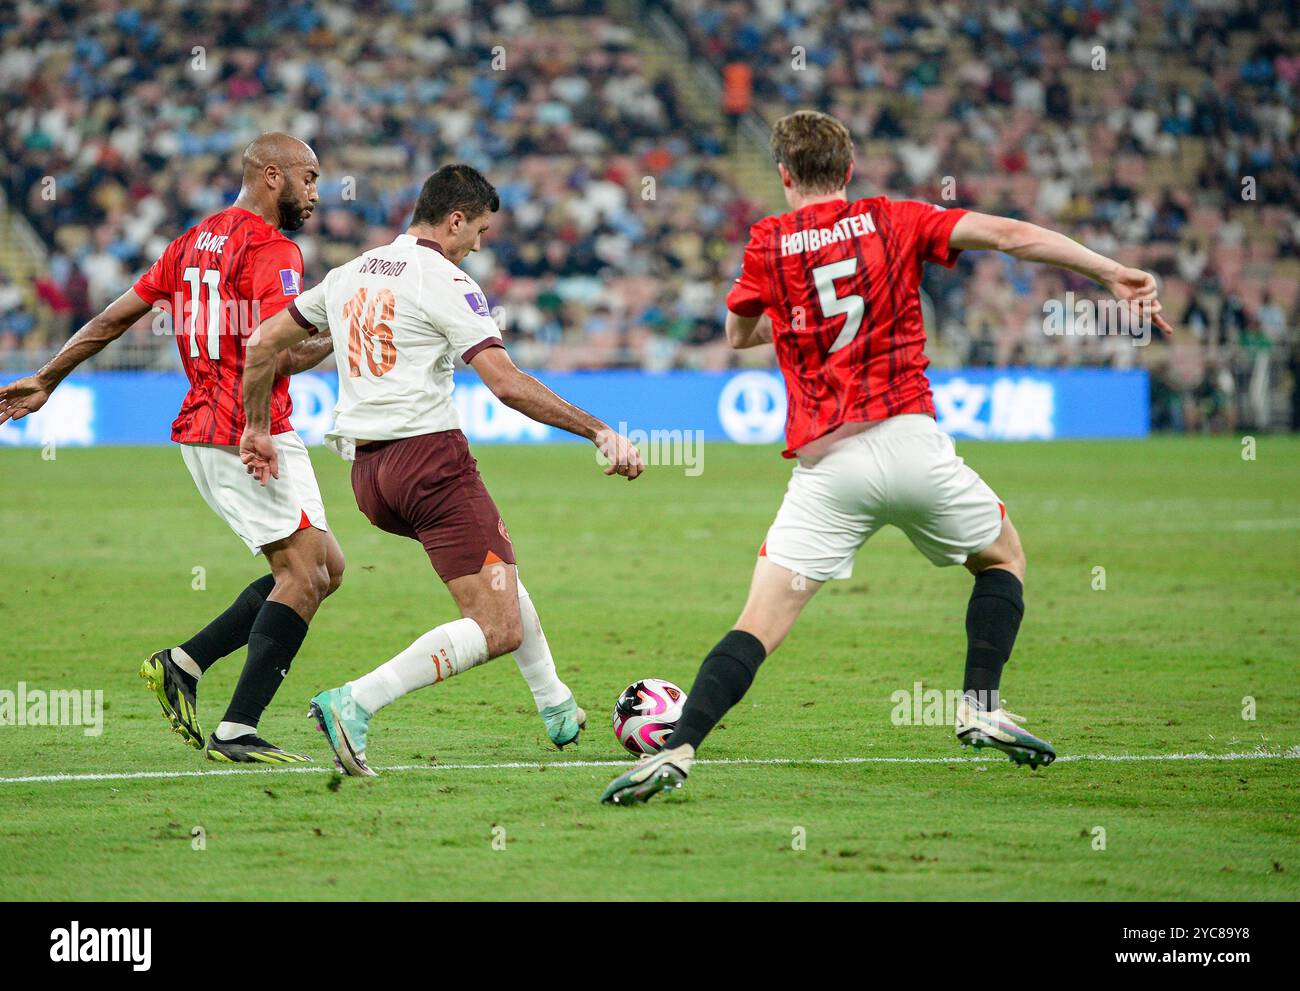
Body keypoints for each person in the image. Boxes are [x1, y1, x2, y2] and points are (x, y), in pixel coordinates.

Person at [601, 110, 1171, 804]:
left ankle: (681, 746)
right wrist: (1113, 271)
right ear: (848, 171)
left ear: (783, 176)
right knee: (1002, 560)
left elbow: (737, 330)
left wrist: (793, 314)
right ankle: (979, 705)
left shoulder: (767, 241)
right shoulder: (893, 219)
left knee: (757, 623)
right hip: (909, 441)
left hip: (828, 466)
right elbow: (1012, 236)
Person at [240, 164, 644, 775]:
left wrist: (256, 425)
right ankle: (354, 702)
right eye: (478, 230)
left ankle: (554, 701)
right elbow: (506, 385)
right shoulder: (445, 280)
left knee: (495, 569)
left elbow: (263, 346)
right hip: (430, 463)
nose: (479, 244)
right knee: (495, 625)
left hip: (370, 479)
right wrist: (599, 431)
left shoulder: (349, 273)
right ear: (454, 220)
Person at [0, 133, 343, 765]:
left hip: (231, 424)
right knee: (301, 575)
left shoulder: (191, 242)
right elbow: (277, 350)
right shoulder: (273, 249)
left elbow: (113, 318)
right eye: (311, 178)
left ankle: (182, 664)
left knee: (327, 569)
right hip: (242, 429)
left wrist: (49, 375)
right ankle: (237, 729)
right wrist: (339, 339)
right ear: (273, 176)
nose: (317, 194)